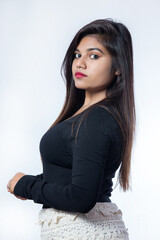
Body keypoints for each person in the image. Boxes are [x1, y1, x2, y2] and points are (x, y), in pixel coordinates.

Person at [7, 18, 136, 239]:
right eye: (77, 55)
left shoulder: (97, 118)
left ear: (118, 67)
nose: (80, 63)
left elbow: (81, 198)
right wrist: (30, 182)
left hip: (83, 232)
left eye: (94, 56)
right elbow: (71, 175)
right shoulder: (90, 115)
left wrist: (26, 185)